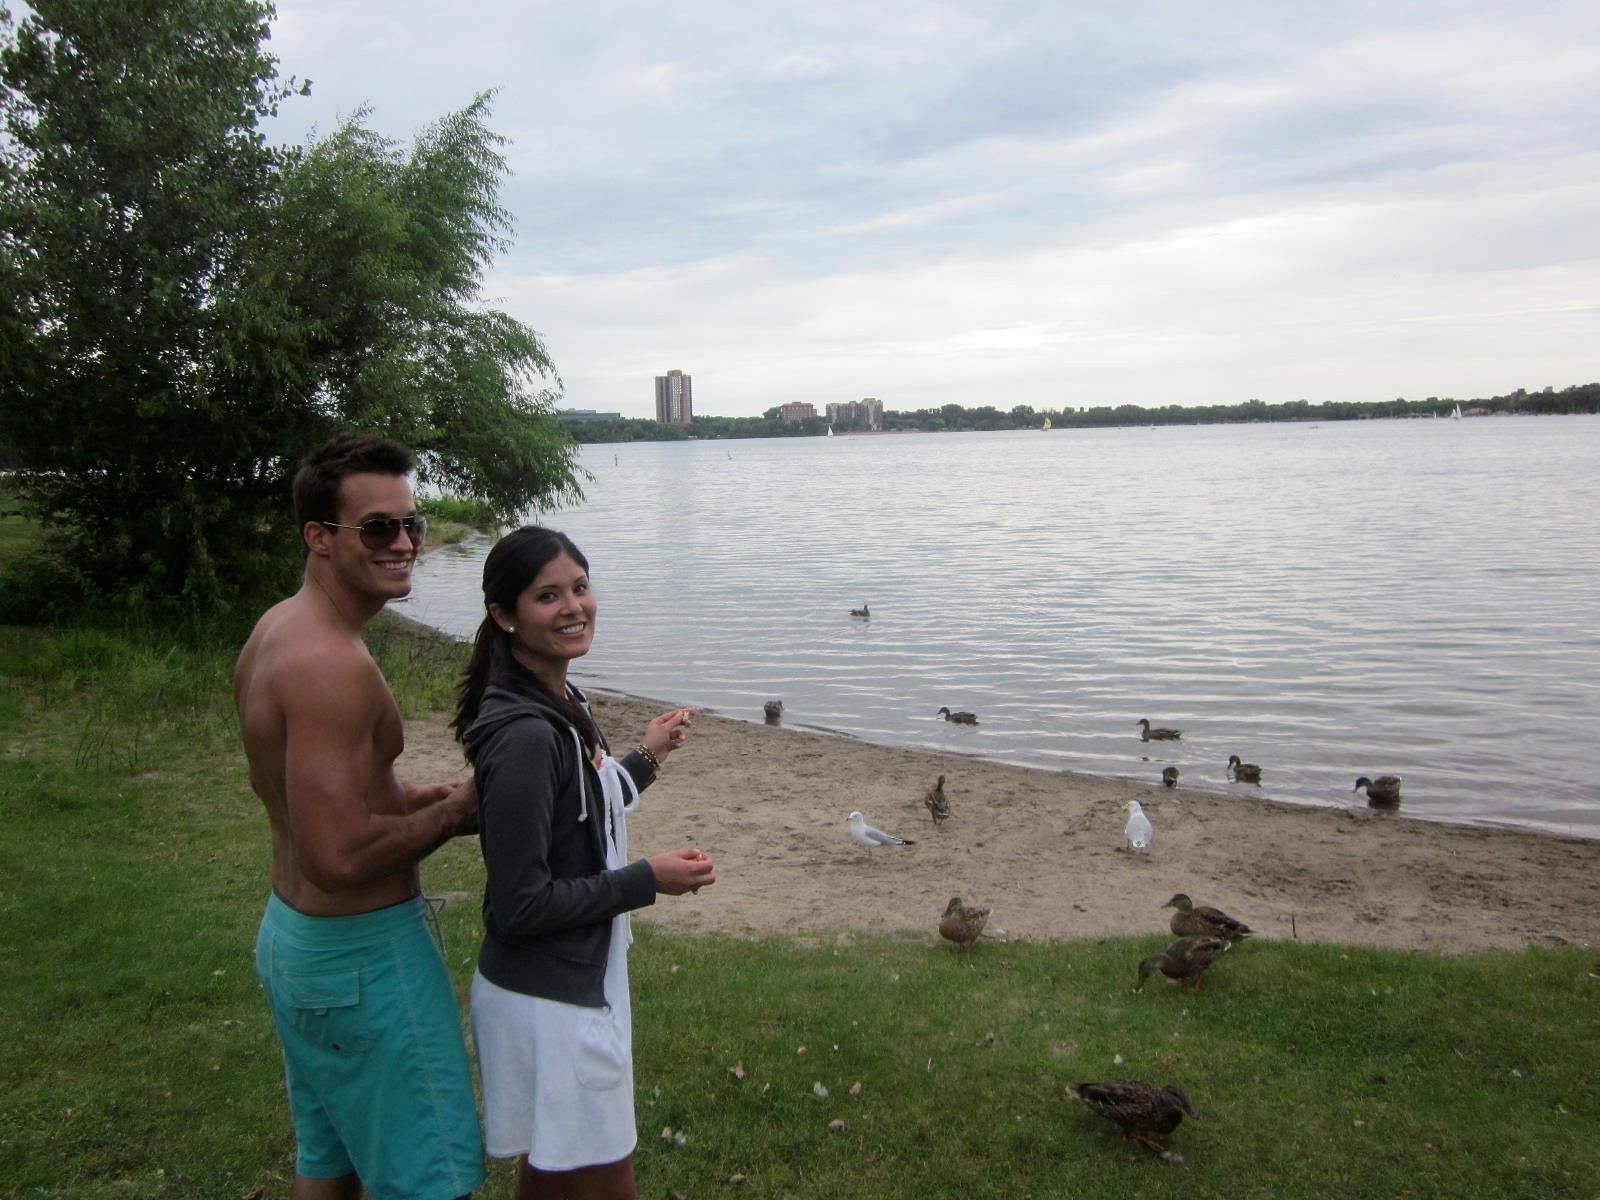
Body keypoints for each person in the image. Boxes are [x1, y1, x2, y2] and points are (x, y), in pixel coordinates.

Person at [235, 434, 485, 1200]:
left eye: (411, 524)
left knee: (331, 1162)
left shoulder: (280, 629)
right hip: (360, 962)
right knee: (426, 1180)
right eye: (378, 528)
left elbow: (309, 794)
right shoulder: (331, 666)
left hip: (298, 945)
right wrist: (458, 817)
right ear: (320, 537)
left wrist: (419, 796)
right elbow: (337, 856)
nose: (405, 542)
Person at [452, 526, 716, 1200]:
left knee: (551, 1175)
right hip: (552, 998)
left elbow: (587, 813)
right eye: (548, 595)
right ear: (505, 616)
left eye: (580, 586)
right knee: (605, 1182)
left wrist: (649, 756)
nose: (574, 606)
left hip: (568, 982)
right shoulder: (525, 736)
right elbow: (521, 904)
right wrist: (645, 880)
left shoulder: (561, 703)